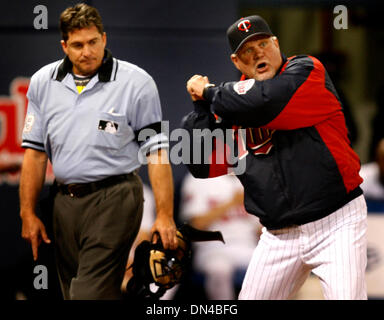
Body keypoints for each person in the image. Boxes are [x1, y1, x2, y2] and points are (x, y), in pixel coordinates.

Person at [183, 15, 367, 300]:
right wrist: (200, 110)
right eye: (248, 50)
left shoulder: (306, 70)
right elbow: (202, 164)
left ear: (276, 43)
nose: (258, 53)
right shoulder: (230, 104)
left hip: (336, 222)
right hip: (278, 235)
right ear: (237, 61)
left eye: (263, 43)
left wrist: (208, 92)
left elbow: (267, 100)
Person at [19, 3, 177, 300]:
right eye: (77, 45)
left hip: (115, 198)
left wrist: (165, 215)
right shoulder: (43, 82)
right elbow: (35, 152)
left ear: (104, 38)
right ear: (64, 46)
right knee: (75, 293)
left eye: (93, 42)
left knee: (86, 294)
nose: (87, 51)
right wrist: (27, 212)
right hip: (63, 202)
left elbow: (156, 151)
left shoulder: (137, 83)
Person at [180, 172, 261, 299]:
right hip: (212, 247)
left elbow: (261, 229)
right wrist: (232, 202)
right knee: (219, 269)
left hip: (247, 246)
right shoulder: (198, 177)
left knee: (274, 268)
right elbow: (195, 225)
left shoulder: (252, 177)